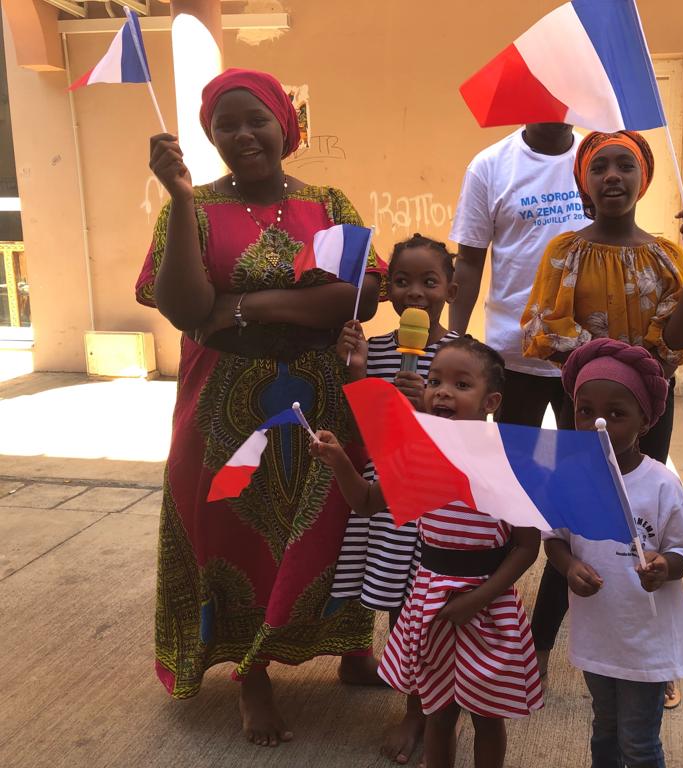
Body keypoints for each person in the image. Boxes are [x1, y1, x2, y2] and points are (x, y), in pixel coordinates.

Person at [137, 68, 385, 747]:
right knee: (231, 528)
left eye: (257, 120)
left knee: (331, 520)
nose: (243, 134)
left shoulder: (329, 202)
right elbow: (186, 310)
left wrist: (241, 306)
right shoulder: (185, 209)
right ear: (210, 136)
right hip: (221, 405)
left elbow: (358, 296)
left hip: (322, 394)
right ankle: (252, 674)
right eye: (226, 124)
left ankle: (351, 645)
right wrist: (182, 197)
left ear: (285, 124)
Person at [520, 130, 683, 703]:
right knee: (577, 535)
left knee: (642, 532)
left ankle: (654, 664)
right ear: (585, 180)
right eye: (599, 166)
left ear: (641, 179)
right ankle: (541, 651)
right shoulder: (564, 252)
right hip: (592, 413)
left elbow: (677, 337)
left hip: (647, 414)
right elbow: (544, 327)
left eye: (625, 165)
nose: (612, 176)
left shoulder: (665, 254)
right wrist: (610, 364)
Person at [312, 337, 543, 768]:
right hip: (430, 605)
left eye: (460, 384)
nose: (441, 391)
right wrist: (340, 459)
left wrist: (476, 599)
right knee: (438, 712)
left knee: (488, 715)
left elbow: (528, 547)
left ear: (490, 400)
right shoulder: (421, 455)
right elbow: (366, 501)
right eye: (435, 380)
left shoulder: (504, 462)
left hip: (487, 609)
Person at [331, 234, 459, 764]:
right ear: (387, 290)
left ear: (450, 288)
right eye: (402, 281)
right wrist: (360, 374)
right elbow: (371, 434)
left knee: (432, 606)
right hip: (387, 506)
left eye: (430, 282)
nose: (415, 293)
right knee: (401, 608)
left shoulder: (461, 355)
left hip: (436, 505)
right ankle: (414, 697)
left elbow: (469, 435)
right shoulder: (377, 349)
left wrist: (428, 408)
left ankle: (420, 711)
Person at [544, 339, 683, 768]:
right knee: (605, 730)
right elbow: (553, 538)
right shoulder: (569, 478)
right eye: (585, 410)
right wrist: (570, 564)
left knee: (640, 743)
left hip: (645, 641)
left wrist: (664, 567)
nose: (598, 422)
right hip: (599, 635)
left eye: (616, 413)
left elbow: (682, 550)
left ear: (644, 422)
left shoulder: (662, 484)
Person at [449, 122, 582, 428]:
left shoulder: (597, 160)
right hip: (512, 354)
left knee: (579, 466)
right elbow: (469, 261)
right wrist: (456, 340)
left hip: (584, 353)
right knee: (513, 466)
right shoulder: (489, 166)